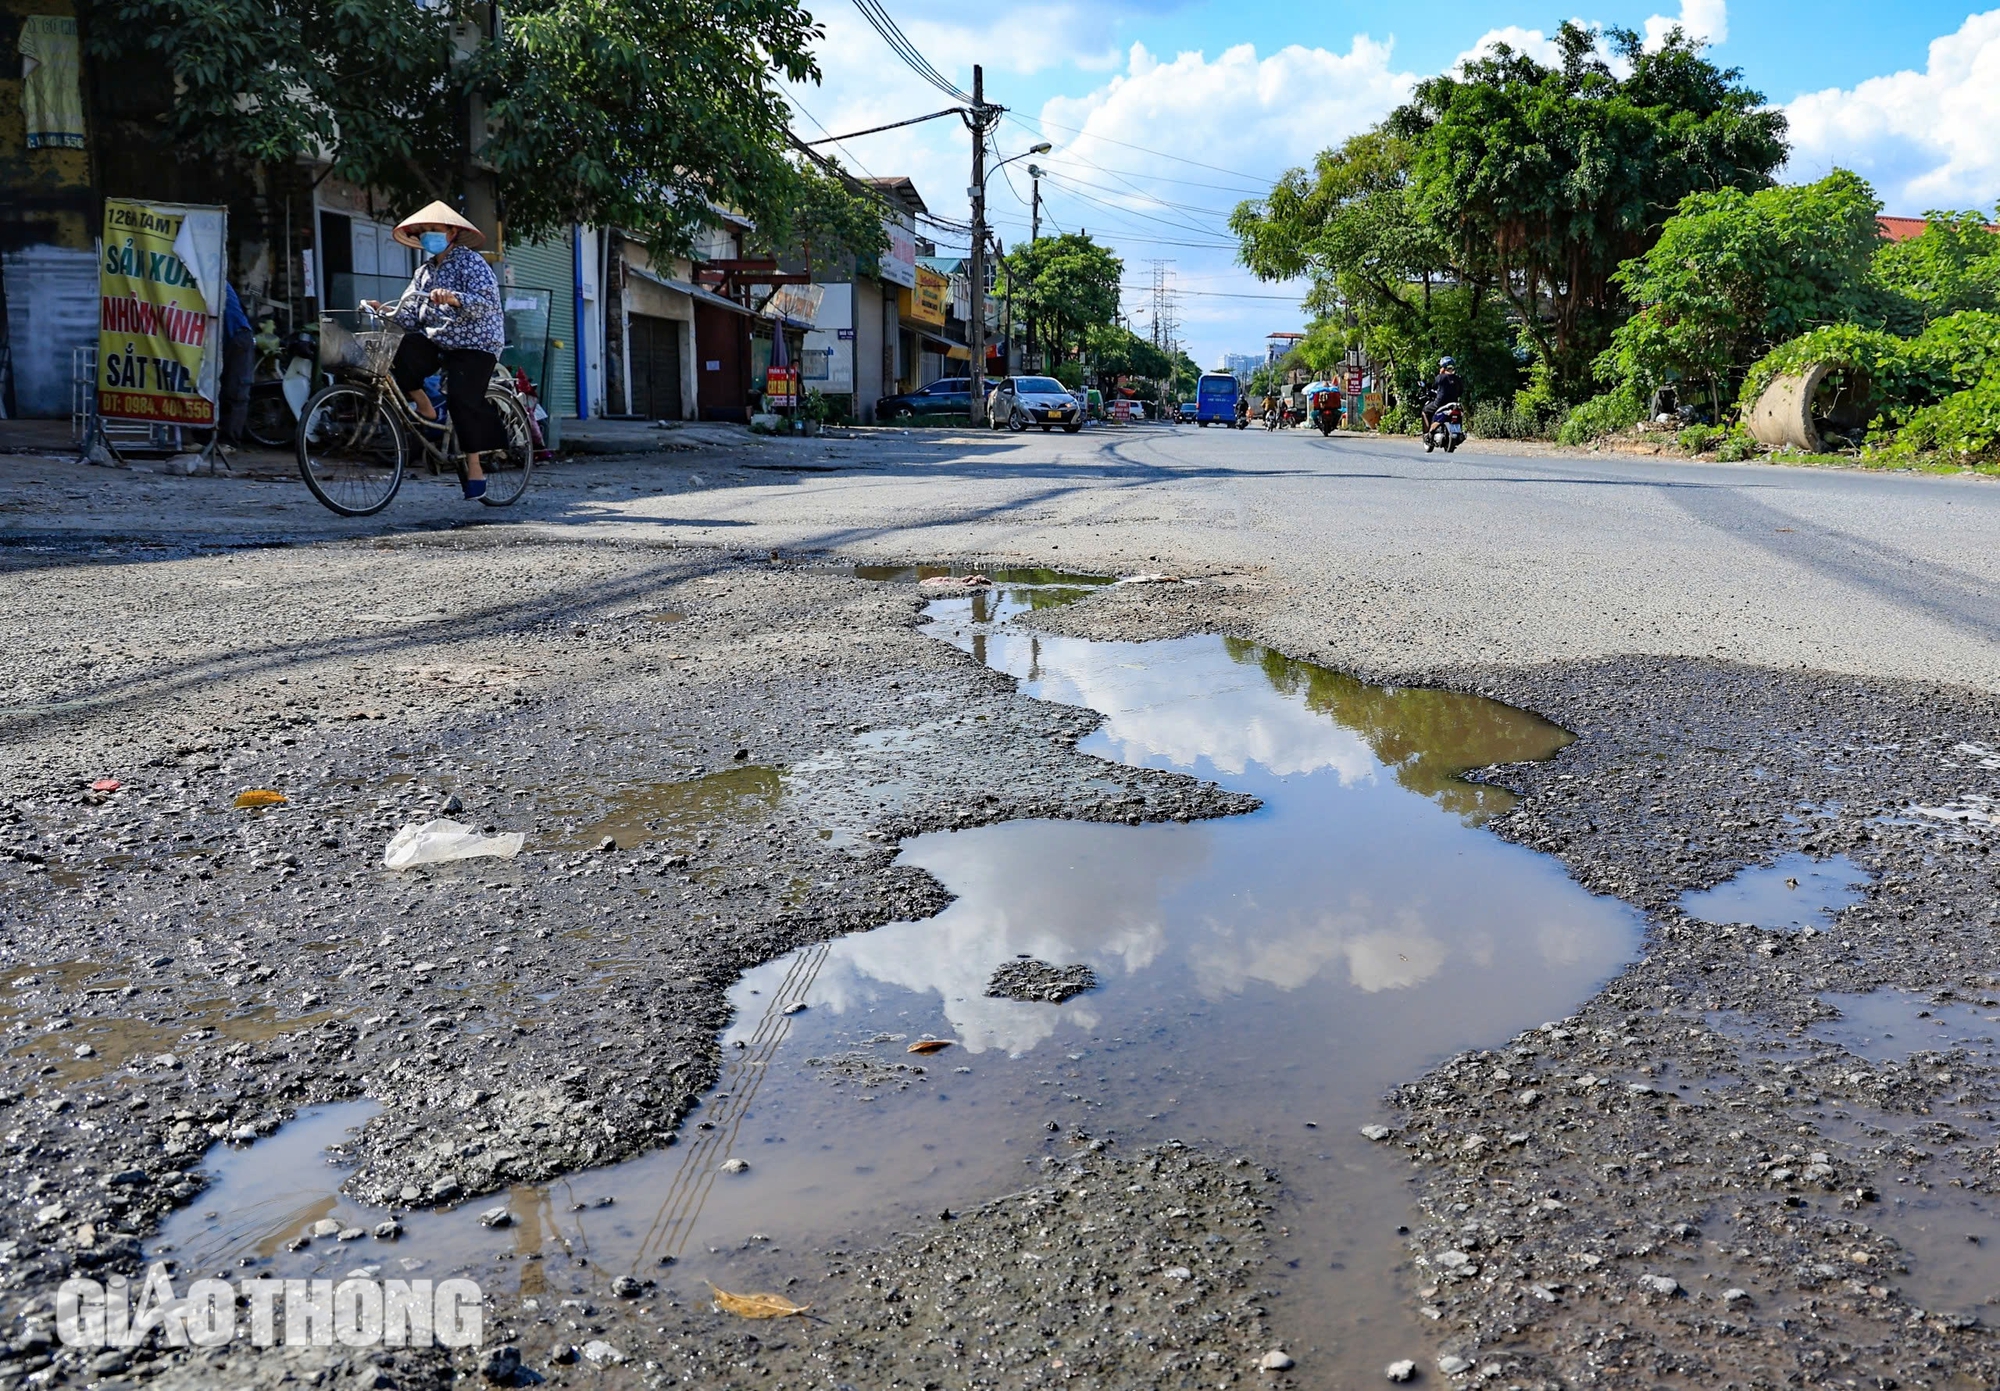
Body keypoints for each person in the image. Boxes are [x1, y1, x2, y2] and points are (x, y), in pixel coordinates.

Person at [360, 201, 505, 500]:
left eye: (434, 230)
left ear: (452, 232)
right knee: (398, 349)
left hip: (475, 342)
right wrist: (383, 310)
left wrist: (454, 298)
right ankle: (424, 405)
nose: (428, 236)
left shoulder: (471, 263)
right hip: (439, 339)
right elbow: (410, 316)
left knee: (461, 399)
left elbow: (486, 303)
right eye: (424, 232)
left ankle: (475, 466)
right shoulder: (423, 272)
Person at [218, 283, 255, 450]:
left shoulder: (214, 278)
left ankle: (229, 441)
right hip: (224, 338)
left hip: (237, 336)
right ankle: (209, 437)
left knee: (235, 390)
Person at [1423, 355, 1463, 429]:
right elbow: (1460, 392)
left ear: (1443, 367)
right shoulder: (1458, 379)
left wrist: (1440, 374)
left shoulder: (1440, 377)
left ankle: (1427, 433)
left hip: (1440, 403)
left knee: (1425, 411)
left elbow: (1434, 386)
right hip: (1453, 403)